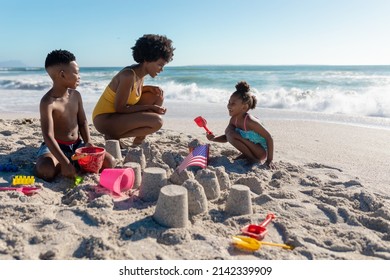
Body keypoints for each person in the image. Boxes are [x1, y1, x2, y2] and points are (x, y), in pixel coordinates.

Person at [35, 50, 115, 182]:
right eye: (76, 72)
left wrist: (88, 141)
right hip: (55, 147)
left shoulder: (76, 95)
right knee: (46, 171)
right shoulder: (48, 102)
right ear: (62, 75)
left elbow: (82, 122)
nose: (79, 76)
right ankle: (64, 163)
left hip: (77, 146)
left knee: (109, 162)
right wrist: (65, 162)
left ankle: (70, 163)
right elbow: (48, 136)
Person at [92, 34, 175, 146]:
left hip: (116, 117)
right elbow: (120, 108)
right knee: (157, 121)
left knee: (157, 95)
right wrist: (150, 107)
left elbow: (129, 93)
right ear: (147, 59)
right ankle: (113, 135)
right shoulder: (128, 75)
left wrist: (148, 88)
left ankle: (137, 142)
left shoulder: (140, 74)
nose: (162, 69)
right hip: (104, 120)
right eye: (160, 65)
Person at [206, 81, 275, 168]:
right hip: (252, 148)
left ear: (244, 107)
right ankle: (248, 156)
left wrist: (269, 160)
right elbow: (227, 137)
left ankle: (252, 158)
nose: (229, 106)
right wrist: (213, 139)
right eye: (229, 102)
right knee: (229, 132)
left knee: (231, 133)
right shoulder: (233, 120)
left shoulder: (250, 121)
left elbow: (269, 138)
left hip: (261, 151)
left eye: (233, 104)